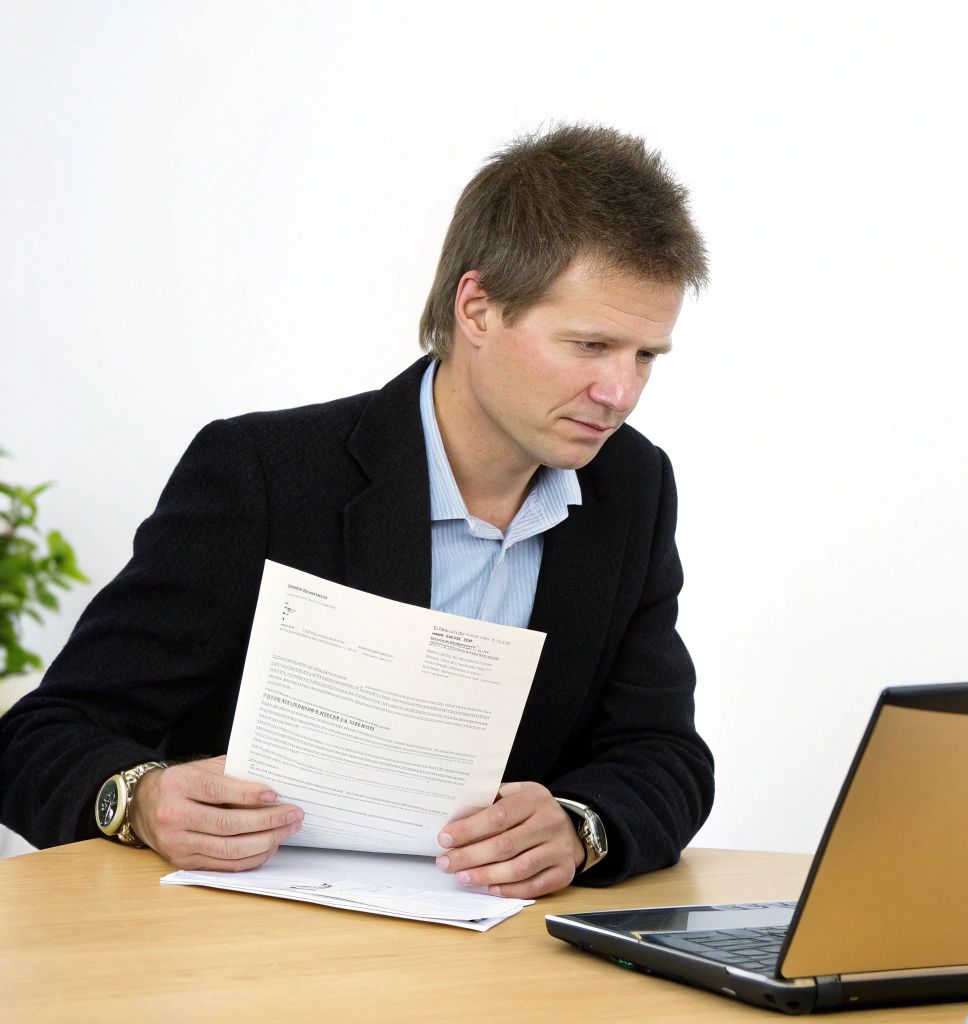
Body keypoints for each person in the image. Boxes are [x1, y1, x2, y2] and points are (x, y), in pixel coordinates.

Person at [0, 124, 713, 898]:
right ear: (477, 309)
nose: (622, 393)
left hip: (497, 960)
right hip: (252, 954)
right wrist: (139, 801)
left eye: (645, 356)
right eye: (590, 346)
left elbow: (662, 752)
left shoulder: (631, 488)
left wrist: (582, 825)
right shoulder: (264, 476)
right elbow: (39, 738)